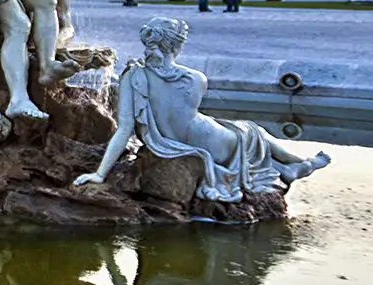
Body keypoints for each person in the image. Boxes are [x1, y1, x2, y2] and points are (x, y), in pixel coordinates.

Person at [75, 16, 330, 200]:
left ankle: (292, 167)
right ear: (176, 46)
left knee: (246, 133)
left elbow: (125, 129)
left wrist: (99, 174)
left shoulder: (132, 76)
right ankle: (298, 164)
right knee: (253, 132)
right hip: (215, 142)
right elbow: (185, 113)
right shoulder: (196, 78)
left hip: (177, 144)